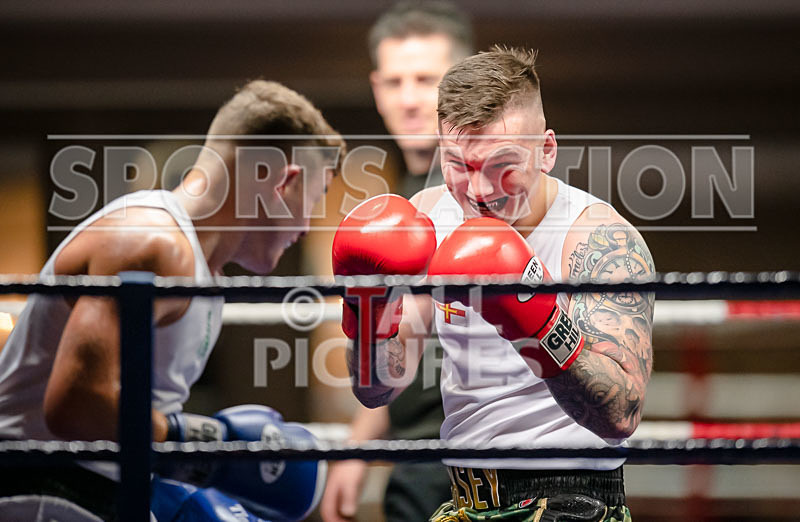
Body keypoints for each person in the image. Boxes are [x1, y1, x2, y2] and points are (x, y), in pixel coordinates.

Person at [333, 47, 655, 521]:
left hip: (573, 500)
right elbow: (378, 389)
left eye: (501, 165)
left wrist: (530, 315)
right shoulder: (428, 218)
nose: (479, 191)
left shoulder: (597, 239)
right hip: (463, 500)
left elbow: (621, 413)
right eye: (459, 166)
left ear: (546, 150)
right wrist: (368, 308)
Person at [0, 80, 346, 521]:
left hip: (97, 489)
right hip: (42, 489)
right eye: (316, 198)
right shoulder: (150, 242)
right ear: (285, 182)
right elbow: (75, 404)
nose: (309, 224)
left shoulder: (205, 274)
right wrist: (204, 444)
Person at [320, 2, 473, 521]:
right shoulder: (403, 202)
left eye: (426, 80)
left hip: (481, 458)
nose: (409, 100)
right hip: (413, 458)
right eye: (394, 81)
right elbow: (404, 335)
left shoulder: (484, 193)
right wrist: (358, 444)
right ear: (375, 88)